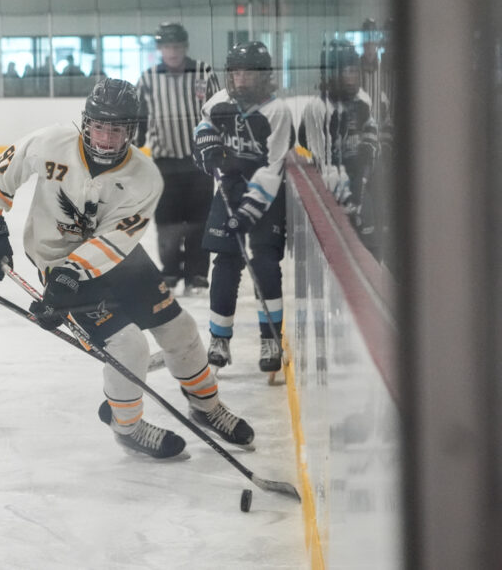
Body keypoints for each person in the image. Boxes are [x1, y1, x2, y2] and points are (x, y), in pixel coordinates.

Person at [0, 78, 254, 460]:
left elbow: (115, 240)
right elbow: (1, 176)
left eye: (115, 130)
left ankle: (205, 405)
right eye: (99, 126)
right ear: (85, 122)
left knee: (179, 328)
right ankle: (127, 425)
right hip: (54, 259)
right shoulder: (50, 143)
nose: (104, 138)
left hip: (116, 258)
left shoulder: (145, 176)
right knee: (129, 345)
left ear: (130, 132)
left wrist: (72, 276)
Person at [193, 41, 294, 373]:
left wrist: (249, 212)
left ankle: (270, 339)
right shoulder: (218, 103)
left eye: (248, 72)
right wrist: (206, 148)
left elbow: (273, 166)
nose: (240, 78)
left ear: (263, 76)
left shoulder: (277, 111)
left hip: (267, 195)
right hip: (230, 188)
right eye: (235, 71)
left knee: (264, 263)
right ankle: (219, 338)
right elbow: (203, 131)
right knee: (225, 261)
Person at [135, 21, 221, 297]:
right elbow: (140, 119)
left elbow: (218, 111)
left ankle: (197, 274)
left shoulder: (203, 71)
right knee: (168, 223)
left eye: (176, 46)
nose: (172, 51)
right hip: (165, 164)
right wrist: (132, 154)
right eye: (167, 46)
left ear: (184, 47)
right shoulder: (148, 78)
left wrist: (220, 150)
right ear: (160, 48)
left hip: (199, 162)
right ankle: (170, 270)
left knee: (199, 222)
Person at [298, 40, 380, 235]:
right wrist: (345, 196)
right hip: (331, 189)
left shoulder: (362, 100)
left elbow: (370, 127)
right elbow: (319, 157)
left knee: (370, 238)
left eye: (354, 71)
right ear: (332, 74)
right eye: (346, 72)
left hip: (358, 180)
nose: (352, 78)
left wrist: (369, 146)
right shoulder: (317, 108)